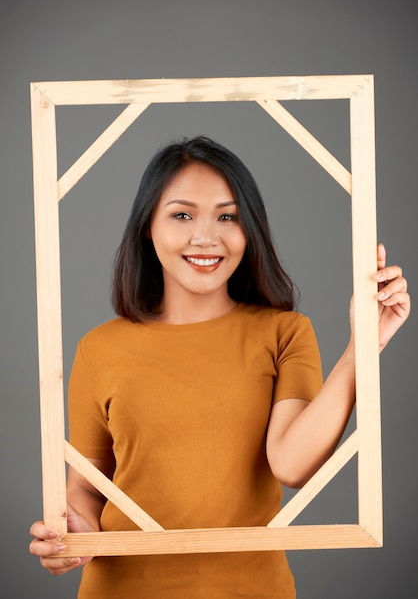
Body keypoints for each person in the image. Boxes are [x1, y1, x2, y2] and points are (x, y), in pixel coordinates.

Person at [29, 136, 410, 598]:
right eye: (182, 215)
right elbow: (85, 488)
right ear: (147, 228)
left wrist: (363, 348)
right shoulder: (99, 348)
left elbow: (292, 465)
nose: (205, 237)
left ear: (249, 230)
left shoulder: (284, 333)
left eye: (227, 216)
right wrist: (73, 532)